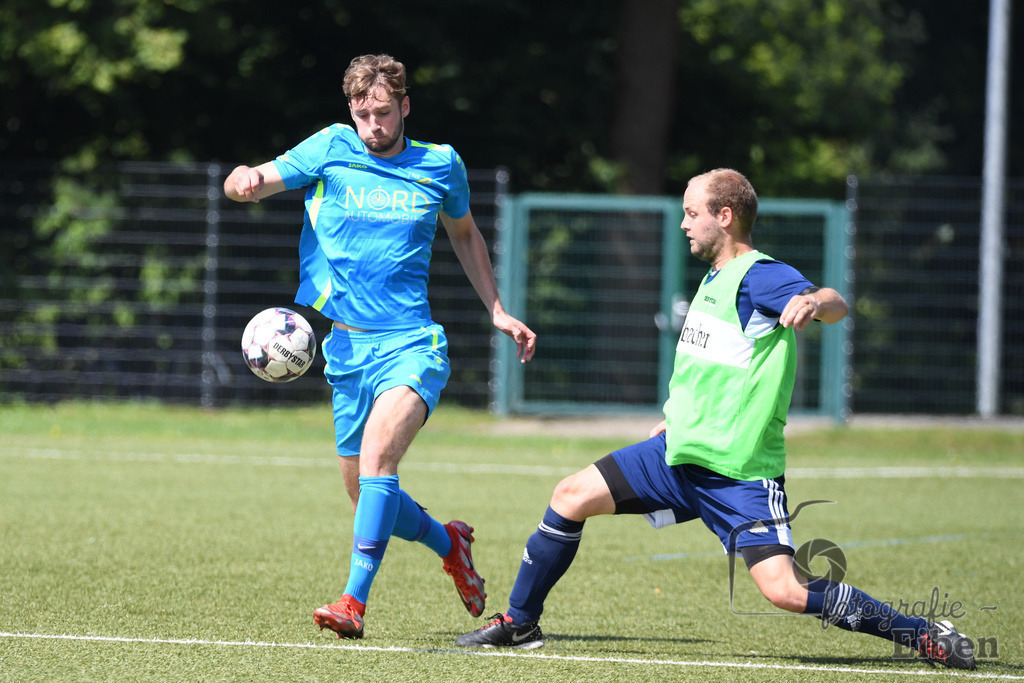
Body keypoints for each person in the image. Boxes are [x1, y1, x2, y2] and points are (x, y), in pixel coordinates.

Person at [454, 169, 976, 670]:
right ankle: (520, 623)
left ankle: (921, 634)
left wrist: (813, 302)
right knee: (570, 496)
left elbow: (836, 302)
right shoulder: (714, 278)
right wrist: (676, 417)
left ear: (724, 216)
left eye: (690, 213)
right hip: (678, 453)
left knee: (786, 592)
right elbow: (713, 366)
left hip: (737, 473)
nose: (684, 223)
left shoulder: (760, 275)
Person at [224, 53, 537, 640]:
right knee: (368, 495)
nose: (373, 124)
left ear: (405, 107)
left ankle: (352, 602)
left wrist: (496, 309)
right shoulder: (331, 148)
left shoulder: (440, 165)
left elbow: (465, 235)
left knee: (378, 466)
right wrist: (242, 179)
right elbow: (259, 179)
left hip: (412, 346)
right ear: (350, 110)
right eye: (363, 112)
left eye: (384, 112)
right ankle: (451, 543)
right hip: (344, 350)